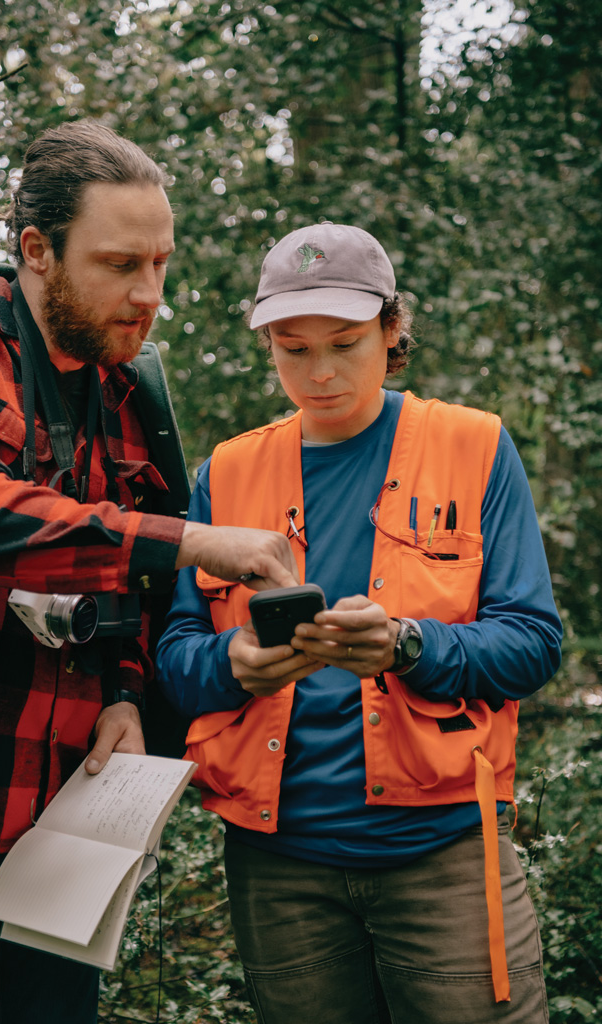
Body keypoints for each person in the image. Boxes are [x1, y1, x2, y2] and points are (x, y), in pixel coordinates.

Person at [0, 119, 299, 1024]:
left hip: (60, 822)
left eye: (161, 263)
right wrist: (191, 539)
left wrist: (126, 693)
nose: (150, 293)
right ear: (37, 250)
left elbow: (125, 591)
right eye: (122, 264)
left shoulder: (126, 388)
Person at [156, 223, 563, 1024]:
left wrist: (411, 646)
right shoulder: (226, 473)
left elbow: (533, 639)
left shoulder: (473, 447)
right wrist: (234, 661)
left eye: (344, 342)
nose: (321, 372)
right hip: (279, 868)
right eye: (292, 348)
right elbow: (172, 656)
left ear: (391, 328)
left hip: (442, 854)